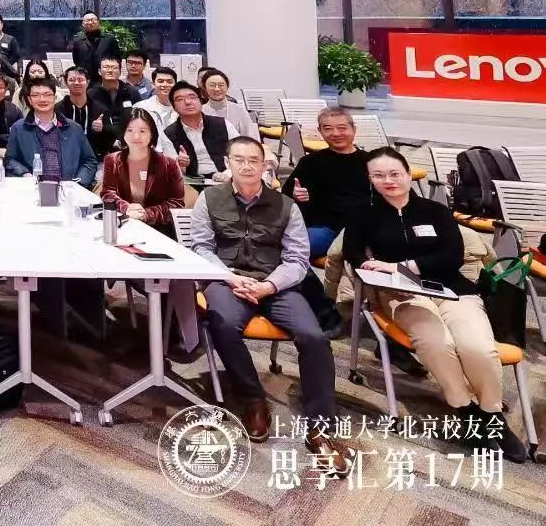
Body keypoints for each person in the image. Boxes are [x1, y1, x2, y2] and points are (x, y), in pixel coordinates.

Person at [343, 148, 528, 462]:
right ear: (370, 179)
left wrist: (401, 266)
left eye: (394, 173)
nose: (388, 180)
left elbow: (452, 255)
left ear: (407, 174)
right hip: (402, 294)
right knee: (436, 344)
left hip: (453, 289)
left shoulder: (435, 210)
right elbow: (352, 251)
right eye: (378, 175)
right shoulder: (363, 213)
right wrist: (368, 266)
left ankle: (491, 414)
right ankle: (466, 410)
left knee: (477, 347)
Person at [190, 136, 352, 470]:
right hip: (228, 281)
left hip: (276, 285)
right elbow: (201, 248)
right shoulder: (209, 198)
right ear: (227, 163)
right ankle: (252, 398)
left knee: (314, 336)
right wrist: (231, 278)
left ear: (265, 165)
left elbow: (297, 259)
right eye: (239, 160)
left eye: (254, 160)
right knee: (222, 324)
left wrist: (268, 286)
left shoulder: (286, 206)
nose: (247, 166)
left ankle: (320, 426)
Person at [97, 110, 197, 359]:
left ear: (152, 134)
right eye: (130, 130)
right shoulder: (113, 160)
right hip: (124, 230)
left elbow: (176, 203)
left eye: (143, 131)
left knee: (163, 279)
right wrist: (126, 207)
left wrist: (147, 214)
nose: (136, 136)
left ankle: (166, 336)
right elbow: (107, 193)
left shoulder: (167, 163)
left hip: (160, 232)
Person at [281, 106, 372, 259]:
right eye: (328, 129)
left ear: (354, 129)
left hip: (363, 228)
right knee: (295, 249)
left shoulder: (371, 162)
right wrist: (295, 195)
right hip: (324, 229)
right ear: (320, 131)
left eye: (342, 128)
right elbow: (285, 196)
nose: (335, 134)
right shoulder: (310, 162)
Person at [5, 79, 99, 186]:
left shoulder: (74, 128)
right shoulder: (19, 128)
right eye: (36, 95)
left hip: (69, 189)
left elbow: (89, 161)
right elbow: (10, 160)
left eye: (47, 95)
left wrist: (78, 182)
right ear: (29, 100)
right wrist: (24, 174)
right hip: (33, 187)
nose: (42, 99)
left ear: (55, 98)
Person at [166, 82, 231, 181]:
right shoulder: (168, 133)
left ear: (201, 101)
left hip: (227, 178)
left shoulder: (222, 124)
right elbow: (172, 169)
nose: (188, 102)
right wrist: (181, 164)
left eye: (192, 97)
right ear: (173, 107)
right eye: (180, 99)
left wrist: (228, 174)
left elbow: (241, 151)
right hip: (192, 183)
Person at [58, 66, 115, 157]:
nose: (76, 83)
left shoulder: (101, 110)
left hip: (94, 158)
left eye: (80, 80)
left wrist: (102, 129)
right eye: (72, 80)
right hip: (64, 157)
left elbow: (110, 139)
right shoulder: (57, 110)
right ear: (66, 82)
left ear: (88, 82)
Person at [91, 57, 142, 145]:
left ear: (120, 72)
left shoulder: (131, 92)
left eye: (114, 68)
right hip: (101, 142)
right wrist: (94, 126)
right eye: (106, 67)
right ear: (99, 71)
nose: (110, 70)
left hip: (129, 141)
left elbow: (140, 117)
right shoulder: (91, 94)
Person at [199, 68, 259, 139]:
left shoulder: (239, 110)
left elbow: (252, 138)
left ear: (227, 87)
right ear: (205, 88)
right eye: (212, 85)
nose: (217, 89)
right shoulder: (200, 111)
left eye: (221, 85)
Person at [132, 65, 179, 133]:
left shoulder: (183, 107)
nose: (165, 85)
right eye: (160, 81)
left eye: (169, 82)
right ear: (153, 84)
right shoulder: (141, 107)